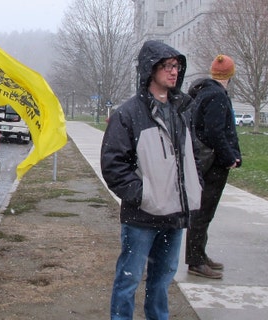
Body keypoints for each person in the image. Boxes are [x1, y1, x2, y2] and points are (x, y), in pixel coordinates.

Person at [100, 40, 202, 320]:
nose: (174, 72)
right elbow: (113, 165)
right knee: (128, 281)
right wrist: (144, 195)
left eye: (177, 66)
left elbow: (194, 156)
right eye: (167, 66)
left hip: (175, 216)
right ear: (150, 69)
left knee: (161, 284)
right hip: (141, 218)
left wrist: (195, 187)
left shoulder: (182, 110)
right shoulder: (128, 114)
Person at [186, 54, 242, 279]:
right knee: (203, 212)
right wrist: (230, 157)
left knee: (202, 211)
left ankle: (199, 254)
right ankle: (195, 261)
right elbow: (215, 132)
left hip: (203, 160)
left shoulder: (202, 92)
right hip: (213, 163)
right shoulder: (217, 96)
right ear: (230, 74)